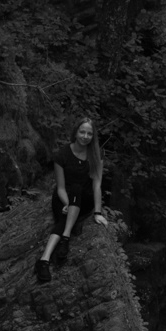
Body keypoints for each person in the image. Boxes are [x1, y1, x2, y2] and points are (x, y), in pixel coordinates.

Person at [35, 117, 108, 282]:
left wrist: (97, 212)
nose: (85, 136)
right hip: (64, 197)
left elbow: (97, 185)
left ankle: (59, 244)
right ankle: (45, 259)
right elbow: (60, 188)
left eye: (89, 133)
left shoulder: (96, 154)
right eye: (82, 132)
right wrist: (68, 204)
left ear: (93, 136)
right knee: (66, 212)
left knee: (78, 190)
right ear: (75, 132)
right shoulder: (62, 155)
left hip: (84, 199)